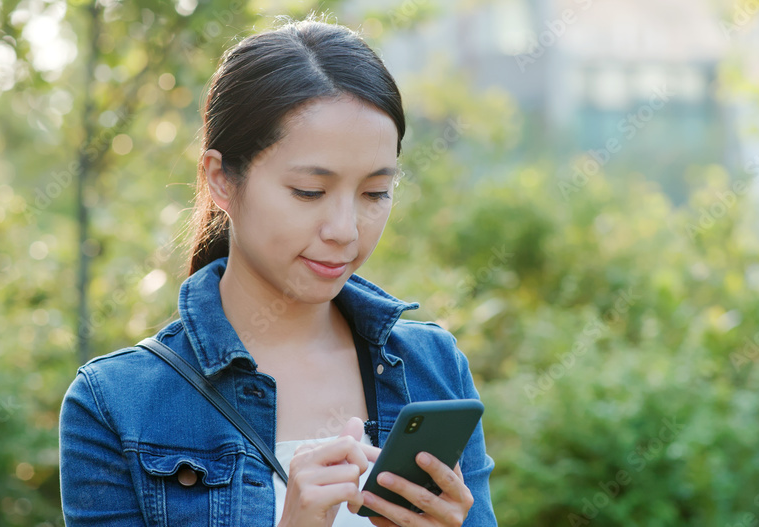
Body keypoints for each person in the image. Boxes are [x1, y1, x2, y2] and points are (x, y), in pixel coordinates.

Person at [59, 14, 497, 527]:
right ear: (221, 179)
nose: (345, 230)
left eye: (375, 193)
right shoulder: (116, 404)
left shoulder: (434, 367)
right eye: (309, 192)